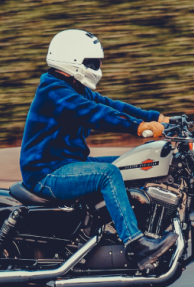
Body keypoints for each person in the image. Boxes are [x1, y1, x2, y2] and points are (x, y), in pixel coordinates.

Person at [20, 29, 179, 270]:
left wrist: (155, 117)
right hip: (47, 173)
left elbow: (110, 105)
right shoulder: (54, 92)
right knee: (108, 174)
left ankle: (134, 229)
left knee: (133, 164)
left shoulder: (73, 88)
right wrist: (139, 127)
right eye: (93, 62)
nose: (97, 67)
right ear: (73, 60)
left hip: (67, 164)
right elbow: (95, 114)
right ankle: (137, 246)